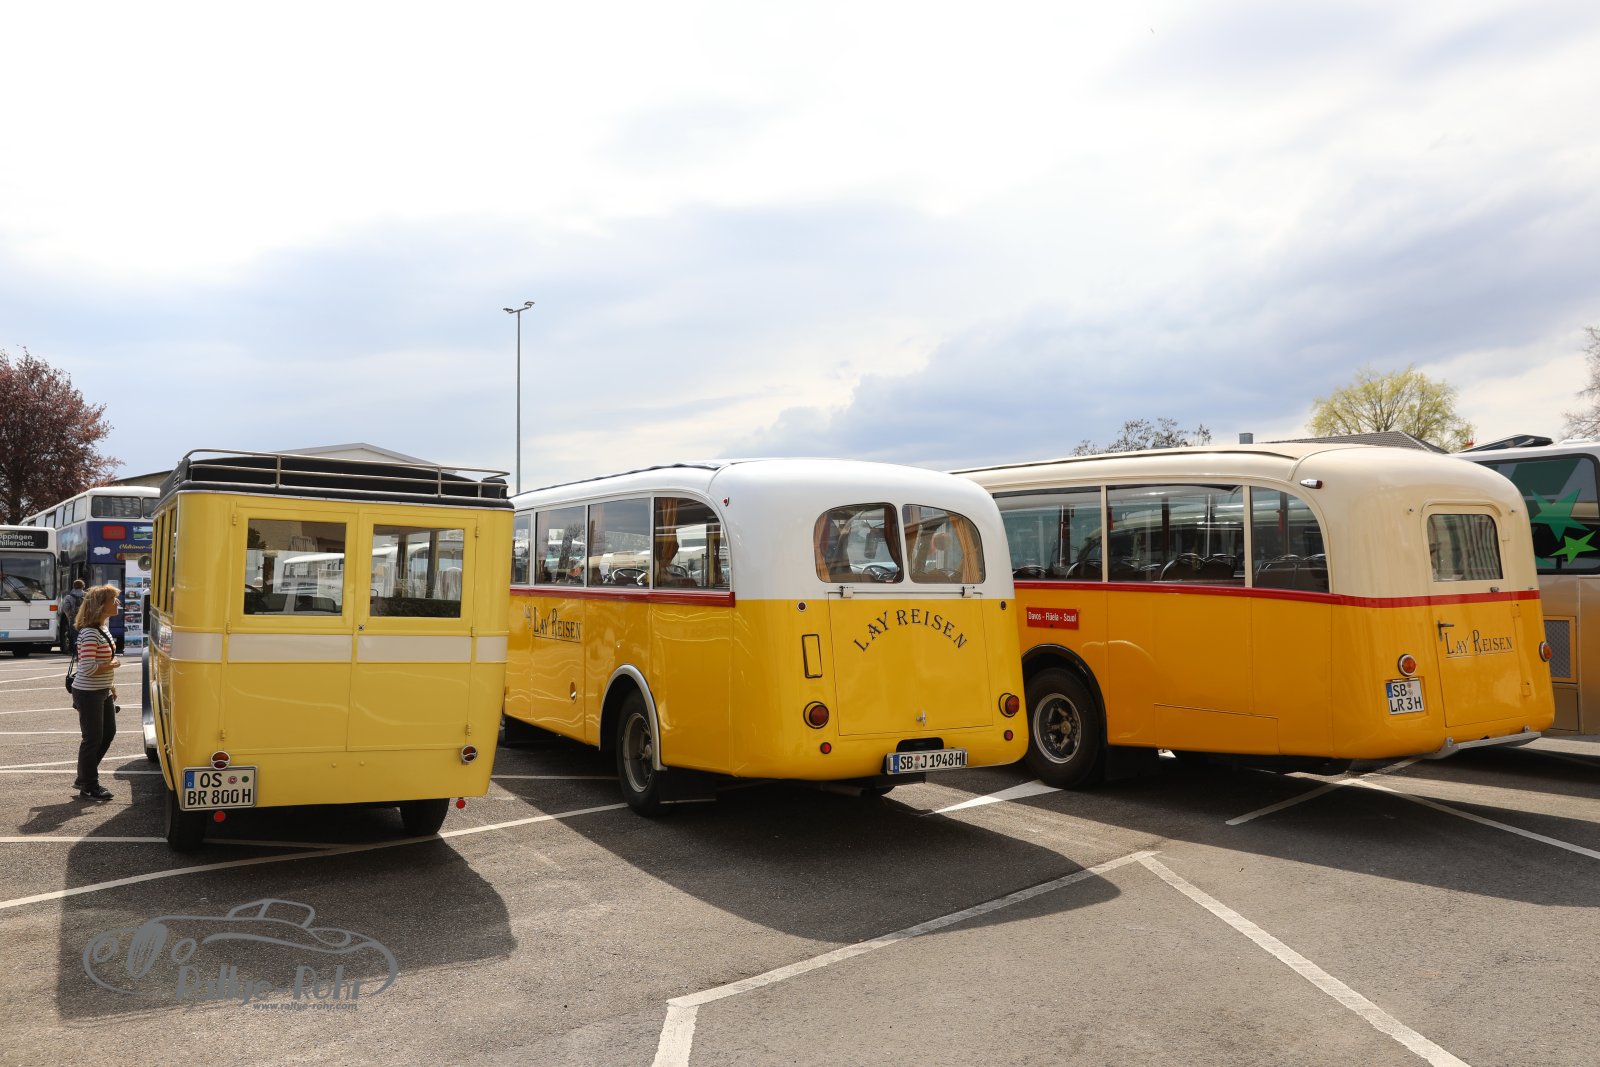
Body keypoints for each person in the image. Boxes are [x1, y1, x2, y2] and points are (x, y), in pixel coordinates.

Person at [70, 585, 121, 801]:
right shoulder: (90, 632)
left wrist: (111, 686)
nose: (117, 603)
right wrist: (113, 664)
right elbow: (88, 668)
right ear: (101, 605)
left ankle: (84, 777)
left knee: (107, 734)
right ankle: (89, 785)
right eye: (113, 599)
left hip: (102, 690)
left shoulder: (102, 628)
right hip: (88, 692)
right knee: (92, 739)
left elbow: (100, 661)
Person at [61, 579, 86, 655]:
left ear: (73, 586)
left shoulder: (69, 597)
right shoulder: (87, 595)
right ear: (83, 586)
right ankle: (84, 652)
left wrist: (69, 616)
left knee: (74, 635)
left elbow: (65, 608)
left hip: (74, 619)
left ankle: (75, 653)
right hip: (85, 618)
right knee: (85, 635)